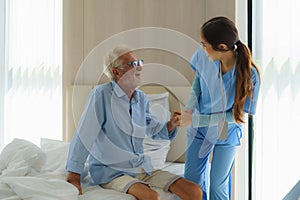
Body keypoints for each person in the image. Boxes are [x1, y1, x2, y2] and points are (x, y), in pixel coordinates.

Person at [66, 45, 202, 200]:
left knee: (194, 191)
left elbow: (153, 129)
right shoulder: (101, 95)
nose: (139, 68)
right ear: (117, 72)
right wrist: (74, 174)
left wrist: (171, 124)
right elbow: (84, 135)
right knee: (152, 197)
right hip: (111, 171)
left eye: (140, 62)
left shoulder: (141, 98)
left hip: (140, 167)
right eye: (133, 64)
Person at [181, 16, 261, 200]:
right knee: (192, 184)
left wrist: (195, 119)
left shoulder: (250, 74)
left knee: (217, 185)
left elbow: (237, 116)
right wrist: (188, 110)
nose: (201, 48)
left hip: (226, 130)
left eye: (204, 44)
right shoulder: (204, 56)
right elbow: (198, 82)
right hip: (199, 129)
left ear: (222, 47)